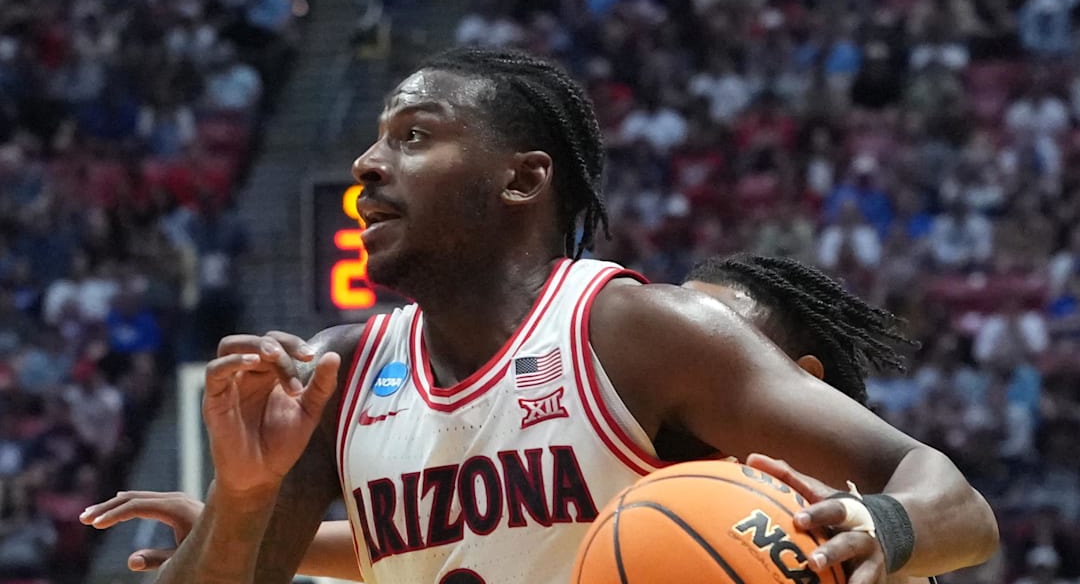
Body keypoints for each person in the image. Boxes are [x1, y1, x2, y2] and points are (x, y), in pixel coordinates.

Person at [92, 48, 996, 584]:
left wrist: (886, 526)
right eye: (376, 137)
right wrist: (241, 503)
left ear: (522, 178)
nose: (368, 163)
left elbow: (950, 496)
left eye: (414, 135)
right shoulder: (339, 371)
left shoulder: (637, 333)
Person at [83, 253, 932, 582]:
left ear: (793, 380)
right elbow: (500, 527)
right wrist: (247, 525)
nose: (684, 351)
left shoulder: (862, 539)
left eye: (711, 337)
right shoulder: (665, 493)